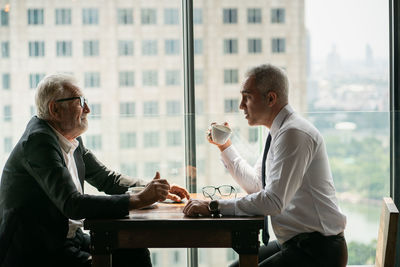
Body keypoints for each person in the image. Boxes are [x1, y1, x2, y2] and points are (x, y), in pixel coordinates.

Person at [0, 73, 190, 267]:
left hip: (68, 238)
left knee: (135, 252)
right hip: (39, 251)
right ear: (55, 109)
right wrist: (139, 199)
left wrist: (153, 188)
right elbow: (72, 204)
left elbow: (107, 179)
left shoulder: (69, 138)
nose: (88, 109)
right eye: (80, 102)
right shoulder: (39, 142)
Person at [183, 64, 347, 267]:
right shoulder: (278, 133)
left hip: (318, 251)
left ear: (271, 98)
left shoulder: (293, 134)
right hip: (294, 243)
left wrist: (214, 206)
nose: (241, 105)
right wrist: (224, 146)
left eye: (247, 97)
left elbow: (273, 202)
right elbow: (257, 185)